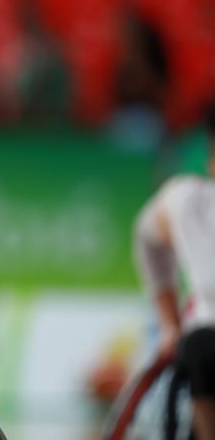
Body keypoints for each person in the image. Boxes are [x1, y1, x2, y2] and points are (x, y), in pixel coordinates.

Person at [134, 104, 215, 440]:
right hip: (206, 353)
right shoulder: (189, 202)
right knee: (200, 346)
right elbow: (146, 238)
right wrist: (169, 323)